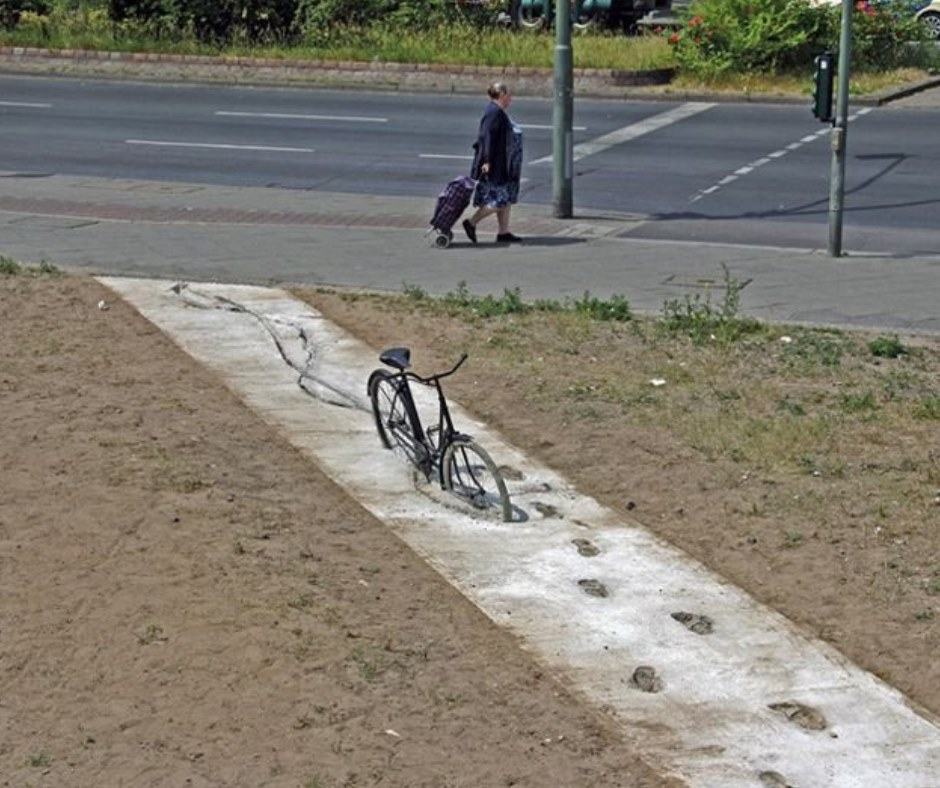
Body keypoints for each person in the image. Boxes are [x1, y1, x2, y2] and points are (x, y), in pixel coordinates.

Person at [463, 82, 524, 245]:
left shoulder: (498, 111)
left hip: (502, 163)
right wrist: (487, 161)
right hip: (495, 164)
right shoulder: (493, 112)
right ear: (502, 94)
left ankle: (503, 232)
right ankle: (471, 222)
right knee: (500, 200)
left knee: (506, 197)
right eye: (509, 94)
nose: (511, 98)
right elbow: (486, 137)